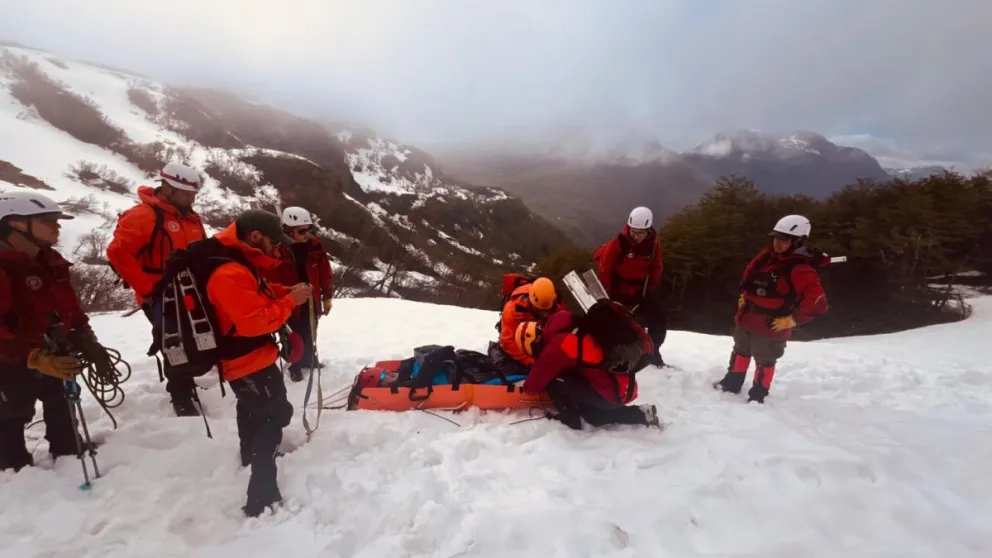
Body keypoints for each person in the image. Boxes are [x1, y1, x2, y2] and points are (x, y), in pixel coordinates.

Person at [199, 209, 311, 516]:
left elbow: (257, 294)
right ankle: (262, 493)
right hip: (245, 358)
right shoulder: (229, 273)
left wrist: (285, 291)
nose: (277, 248)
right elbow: (254, 322)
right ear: (255, 236)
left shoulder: (239, 264)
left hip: (252, 357)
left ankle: (250, 453)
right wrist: (290, 302)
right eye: (274, 241)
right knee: (274, 414)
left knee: (251, 406)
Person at [0, 192, 110, 471]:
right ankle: (12, 467)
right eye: (47, 221)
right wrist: (33, 356)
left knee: (61, 399)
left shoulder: (50, 260)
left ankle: (67, 446)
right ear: (15, 224)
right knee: (10, 414)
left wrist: (85, 337)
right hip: (10, 359)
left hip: (52, 348)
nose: (56, 227)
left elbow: (68, 306)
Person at [107, 162, 207, 417]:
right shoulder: (144, 216)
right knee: (173, 342)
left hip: (189, 289)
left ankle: (186, 382)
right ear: (168, 188)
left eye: (193, 194)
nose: (190, 198)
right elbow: (118, 253)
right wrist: (149, 289)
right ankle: (181, 395)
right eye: (186, 194)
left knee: (193, 338)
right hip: (161, 291)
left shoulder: (191, 219)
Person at [713, 215, 829, 403]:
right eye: (776, 237)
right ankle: (732, 383)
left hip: (772, 323)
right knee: (741, 350)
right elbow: (749, 274)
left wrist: (792, 320)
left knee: (764, 360)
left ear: (798, 241)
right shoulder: (767, 257)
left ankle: (758, 395)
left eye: (784, 240)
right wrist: (745, 295)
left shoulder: (800, 269)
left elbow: (818, 303)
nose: (777, 243)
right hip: (748, 316)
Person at [520, 300, 660, 430]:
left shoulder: (560, 344)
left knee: (553, 381)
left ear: (535, 342)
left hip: (611, 391)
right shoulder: (573, 325)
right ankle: (642, 414)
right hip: (622, 389)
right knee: (592, 415)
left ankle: (570, 419)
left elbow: (533, 385)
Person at [263, 207, 333, 382]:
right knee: (293, 336)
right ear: (288, 230)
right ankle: (295, 365)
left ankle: (309, 359)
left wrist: (328, 297)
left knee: (311, 330)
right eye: (302, 231)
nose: (306, 234)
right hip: (290, 301)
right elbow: (272, 282)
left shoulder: (315, 247)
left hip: (311, 299)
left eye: (308, 229)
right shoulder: (277, 251)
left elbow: (325, 273)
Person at [594, 206, 667, 367]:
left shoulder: (653, 245)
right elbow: (605, 268)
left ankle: (652, 352)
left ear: (648, 230)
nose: (637, 236)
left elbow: (656, 266)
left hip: (641, 289)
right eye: (634, 232)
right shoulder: (619, 243)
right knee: (614, 321)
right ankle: (610, 352)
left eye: (640, 233)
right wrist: (608, 295)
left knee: (659, 320)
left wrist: (651, 288)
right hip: (618, 289)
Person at [490, 277, 559, 377]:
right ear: (532, 302)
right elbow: (507, 342)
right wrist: (530, 362)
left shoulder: (554, 303)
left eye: (546, 311)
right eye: (539, 310)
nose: (544, 314)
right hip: (519, 341)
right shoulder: (512, 310)